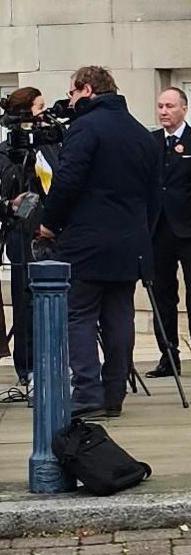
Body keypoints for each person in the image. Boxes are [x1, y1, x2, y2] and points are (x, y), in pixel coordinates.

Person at [38, 67, 159, 420]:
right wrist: (141, 233)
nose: (70, 101)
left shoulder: (86, 128)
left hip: (87, 240)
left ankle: (88, 392)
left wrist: (49, 223)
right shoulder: (141, 133)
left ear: (86, 90)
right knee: (119, 317)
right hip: (130, 242)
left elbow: (68, 180)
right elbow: (154, 197)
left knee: (80, 316)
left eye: (72, 94)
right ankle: (114, 392)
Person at [147, 87, 191, 381]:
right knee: (162, 295)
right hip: (157, 231)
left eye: (170, 106)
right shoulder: (150, 143)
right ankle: (168, 356)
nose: (164, 111)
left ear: (184, 109)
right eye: (160, 106)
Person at [0, 86, 57, 399]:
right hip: (23, 233)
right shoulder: (5, 151)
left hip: (53, 231)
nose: (44, 113)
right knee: (26, 302)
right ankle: (29, 368)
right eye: (39, 107)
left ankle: (60, 364)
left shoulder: (50, 145)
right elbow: (10, 190)